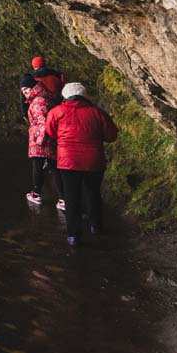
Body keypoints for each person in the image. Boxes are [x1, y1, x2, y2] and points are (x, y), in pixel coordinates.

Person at [44, 82, 118, 246]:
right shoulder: (97, 113)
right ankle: (95, 226)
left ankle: (73, 235)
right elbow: (111, 135)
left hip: (67, 161)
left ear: (65, 96)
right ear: (85, 96)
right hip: (94, 160)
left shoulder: (56, 112)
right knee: (93, 193)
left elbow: (50, 131)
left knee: (71, 197)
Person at [21, 73, 63, 210]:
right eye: (23, 92)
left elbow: (43, 123)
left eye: (27, 90)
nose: (25, 94)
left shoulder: (38, 101)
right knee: (53, 167)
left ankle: (37, 193)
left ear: (33, 88)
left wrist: (39, 141)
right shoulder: (42, 97)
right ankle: (63, 198)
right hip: (46, 139)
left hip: (41, 141)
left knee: (39, 167)